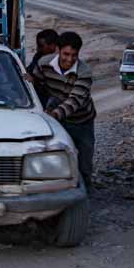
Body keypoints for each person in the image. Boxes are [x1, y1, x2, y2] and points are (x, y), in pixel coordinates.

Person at [31, 31, 97, 186]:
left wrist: (53, 114)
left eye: (74, 55)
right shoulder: (43, 64)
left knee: (85, 159)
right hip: (57, 120)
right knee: (57, 155)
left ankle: (86, 189)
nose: (70, 59)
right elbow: (37, 87)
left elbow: (74, 101)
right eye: (66, 54)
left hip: (82, 121)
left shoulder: (84, 72)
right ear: (58, 50)